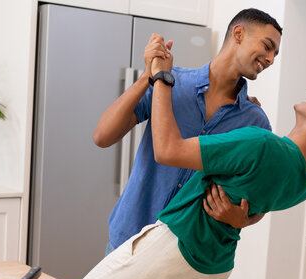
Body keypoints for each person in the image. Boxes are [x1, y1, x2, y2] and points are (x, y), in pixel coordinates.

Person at [77, 36, 306, 279]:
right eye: (268, 46)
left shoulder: (259, 140)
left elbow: (167, 149)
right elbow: (253, 201)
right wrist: (242, 219)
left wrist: (163, 77)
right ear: (238, 36)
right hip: (212, 266)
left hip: (176, 246)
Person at [93, 8, 283, 256]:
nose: (270, 59)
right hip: (128, 241)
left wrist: (243, 220)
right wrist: (149, 76)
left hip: (185, 257)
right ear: (238, 33)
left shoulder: (255, 122)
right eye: (267, 46)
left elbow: (260, 200)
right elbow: (102, 136)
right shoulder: (171, 82)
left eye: (275, 54)